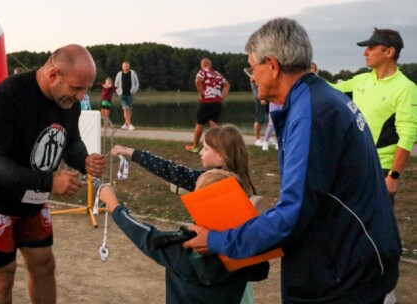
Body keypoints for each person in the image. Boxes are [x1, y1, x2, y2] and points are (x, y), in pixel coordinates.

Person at [183, 18, 401, 303]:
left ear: (273, 66)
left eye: (252, 67)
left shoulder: (311, 113)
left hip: (344, 273)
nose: (250, 76)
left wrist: (215, 240)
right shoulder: (319, 98)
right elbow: (312, 194)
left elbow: (292, 214)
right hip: (351, 256)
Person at [0, 44, 106, 304]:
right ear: (53, 75)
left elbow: (70, 141)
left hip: (31, 197)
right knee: (3, 277)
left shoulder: (68, 101)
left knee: (44, 265)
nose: (82, 96)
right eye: (76, 88)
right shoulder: (6, 98)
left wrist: (83, 160)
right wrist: (48, 180)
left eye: (86, 89)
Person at [111, 124, 261, 304]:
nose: (201, 152)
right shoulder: (241, 189)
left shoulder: (211, 185)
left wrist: (114, 205)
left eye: (206, 148)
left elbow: (169, 170)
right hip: (235, 282)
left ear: (221, 155)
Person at [332, 27, 417, 304]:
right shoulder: (362, 80)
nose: (365, 52)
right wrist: (307, 75)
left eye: (371, 47)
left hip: (382, 170)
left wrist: (394, 175)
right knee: (350, 222)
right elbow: (332, 90)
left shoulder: (406, 88)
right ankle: (356, 276)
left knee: (381, 228)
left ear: (389, 51)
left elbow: (407, 135)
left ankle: (386, 286)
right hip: (354, 166)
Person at [98, 169, 268, 304]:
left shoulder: (182, 248)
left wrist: (114, 205)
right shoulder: (244, 250)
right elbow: (260, 272)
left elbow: (145, 235)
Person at [185, 58, 230, 153]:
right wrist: (222, 97)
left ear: (202, 65)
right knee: (214, 124)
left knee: (199, 123)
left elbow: (197, 81)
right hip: (217, 102)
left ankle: (195, 147)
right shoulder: (218, 74)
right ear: (210, 64)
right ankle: (220, 147)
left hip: (206, 101)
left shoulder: (202, 72)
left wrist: (201, 93)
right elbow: (227, 85)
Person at [114, 61, 139, 131]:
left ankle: (126, 124)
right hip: (122, 95)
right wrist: (118, 92)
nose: (126, 67)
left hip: (130, 94)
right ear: (122, 67)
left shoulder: (133, 73)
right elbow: (116, 84)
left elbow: (137, 83)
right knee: (126, 108)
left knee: (129, 109)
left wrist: (134, 91)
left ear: (129, 66)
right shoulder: (119, 74)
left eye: (127, 66)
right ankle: (130, 124)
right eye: (124, 66)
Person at [251, 79, 268, 147]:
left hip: (268, 97)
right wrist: (261, 98)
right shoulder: (255, 74)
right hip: (259, 98)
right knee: (259, 118)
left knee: (272, 118)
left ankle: (267, 138)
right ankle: (257, 139)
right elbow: (255, 87)